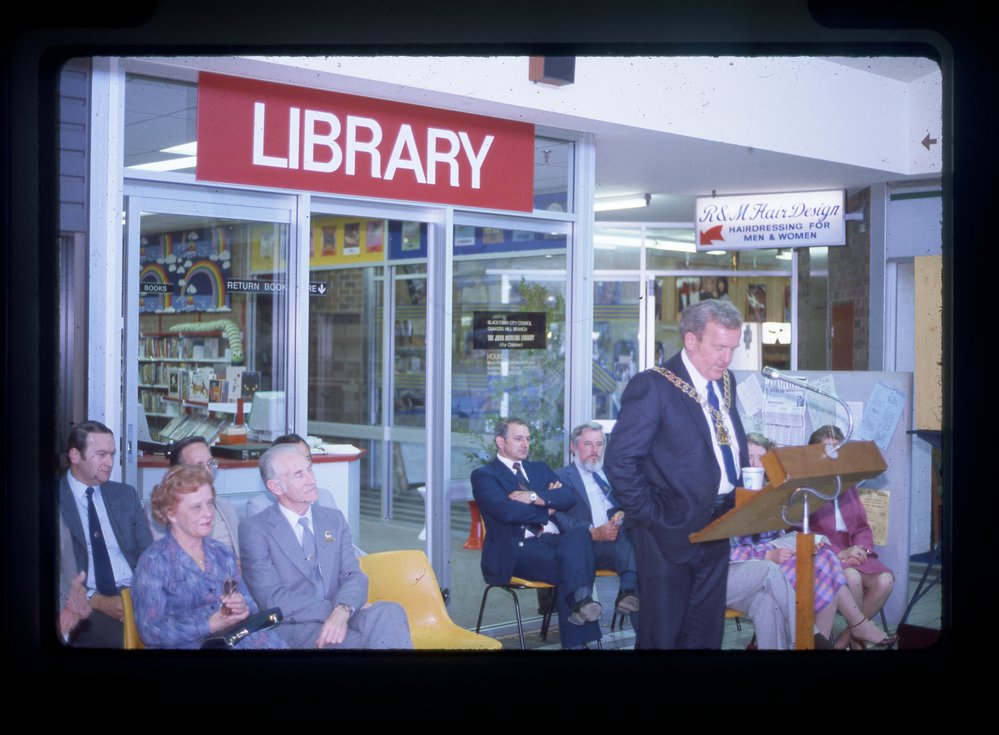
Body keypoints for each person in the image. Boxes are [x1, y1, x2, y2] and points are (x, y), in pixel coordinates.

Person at [604, 299, 748, 649]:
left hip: (718, 526)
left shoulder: (724, 382)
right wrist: (654, 516)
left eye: (732, 348)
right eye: (719, 347)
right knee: (663, 637)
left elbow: (722, 446)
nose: (726, 358)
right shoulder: (653, 385)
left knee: (705, 635)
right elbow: (619, 462)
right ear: (691, 340)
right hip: (666, 534)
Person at [239, 444, 412, 649]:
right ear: (275, 487)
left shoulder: (333, 519)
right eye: (298, 475)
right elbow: (273, 599)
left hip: (342, 612)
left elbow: (353, 576)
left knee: (390, 612)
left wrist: (343, 610)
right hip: (296, 625)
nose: (311, 480)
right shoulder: (255, 529)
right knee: (366, 642)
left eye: (309, 470)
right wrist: (336, 610)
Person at [472, 418, 602, 649]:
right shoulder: (485, 475)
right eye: (518, 438)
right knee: (572, 566)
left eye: (528, 439)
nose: (525, 444)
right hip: (518, 551)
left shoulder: (539, 469)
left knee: (580, 535)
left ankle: (582, 603)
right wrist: (548, 505)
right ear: (500, 441)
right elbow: (507, 512)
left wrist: (532, 497)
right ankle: (580, 620)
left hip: (553, 543)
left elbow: (569, 497)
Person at [132, 464, 286, 649]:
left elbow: (251, 606)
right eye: (196, 507)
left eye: (210, 503)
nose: (208, 513)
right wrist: (208, 625)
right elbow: (150, 632)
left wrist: (241, 607)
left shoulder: (222, 553)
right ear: (171, 514)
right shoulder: (154, 563)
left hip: (232, 640)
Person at [59, 420, 153, 647]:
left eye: (112, 454)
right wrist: (95, 600)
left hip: (134, 592)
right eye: (101, 454)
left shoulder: (125, 495)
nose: (109, 463)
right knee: (124, 643)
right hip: (85, 600)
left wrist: (143, 595)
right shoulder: (51, 500)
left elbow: (149, 555)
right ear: (74, 455)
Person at [807, 424, 895, 646]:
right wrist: (842, 553)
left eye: (837, 448)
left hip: (854, 551)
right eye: (826, 448)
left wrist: (862, 550)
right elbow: (803, 534)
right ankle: (858, 642)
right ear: (813, 453)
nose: (832, 453)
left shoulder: (847, 483)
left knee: (885, 581)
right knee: (852, 578)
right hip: (825, 556)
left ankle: (846, 639)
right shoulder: (806, 487)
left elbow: (863, 527)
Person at [554, 422, 640, 622]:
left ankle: (628, 595)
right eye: (588, 444)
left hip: (617, 543)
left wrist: (621, 514)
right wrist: (592, 531)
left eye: (599, 444)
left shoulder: (612, 476)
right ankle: (623, 592)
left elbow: (628, 504)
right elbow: (556, 515)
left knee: (644, 546)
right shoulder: (560, 477)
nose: (595, 450)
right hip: (585, 545)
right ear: (573, 447)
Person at [153, 435, 242, 558]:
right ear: (179, 471)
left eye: (210, 463)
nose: (207, 470)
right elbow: (165, 557)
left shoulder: (226, 507)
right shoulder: (164, 508)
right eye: (199, 466)